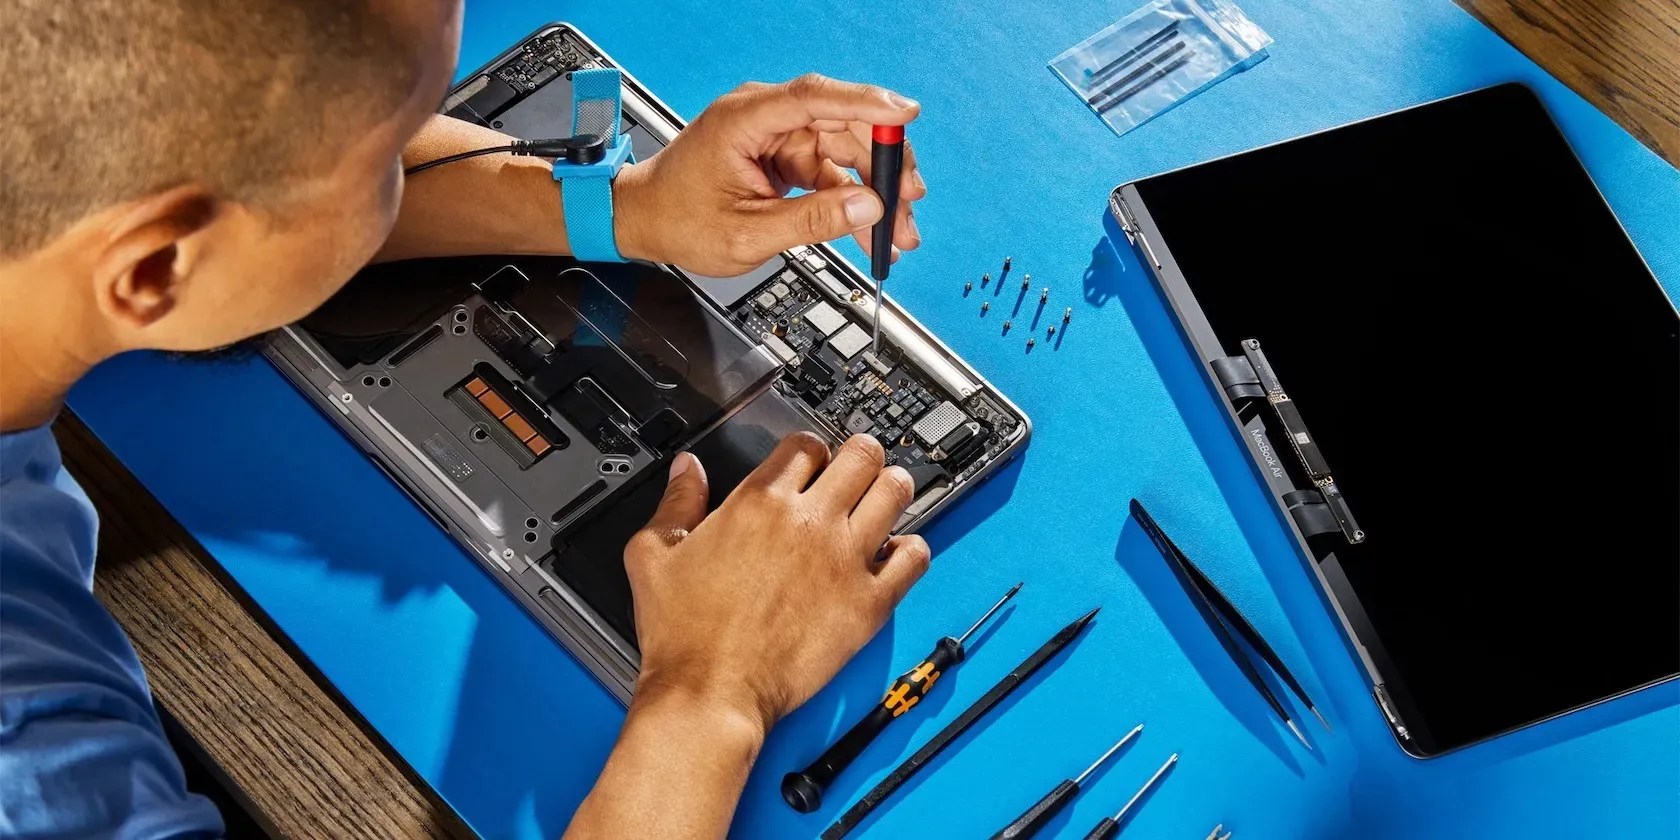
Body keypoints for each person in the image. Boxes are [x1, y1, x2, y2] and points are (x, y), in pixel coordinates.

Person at [0, 1, 932, 837]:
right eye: (386, 160)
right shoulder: (33, 751)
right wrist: (712, 695)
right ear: (155, 272)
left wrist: (622, 206)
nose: (431, 158)